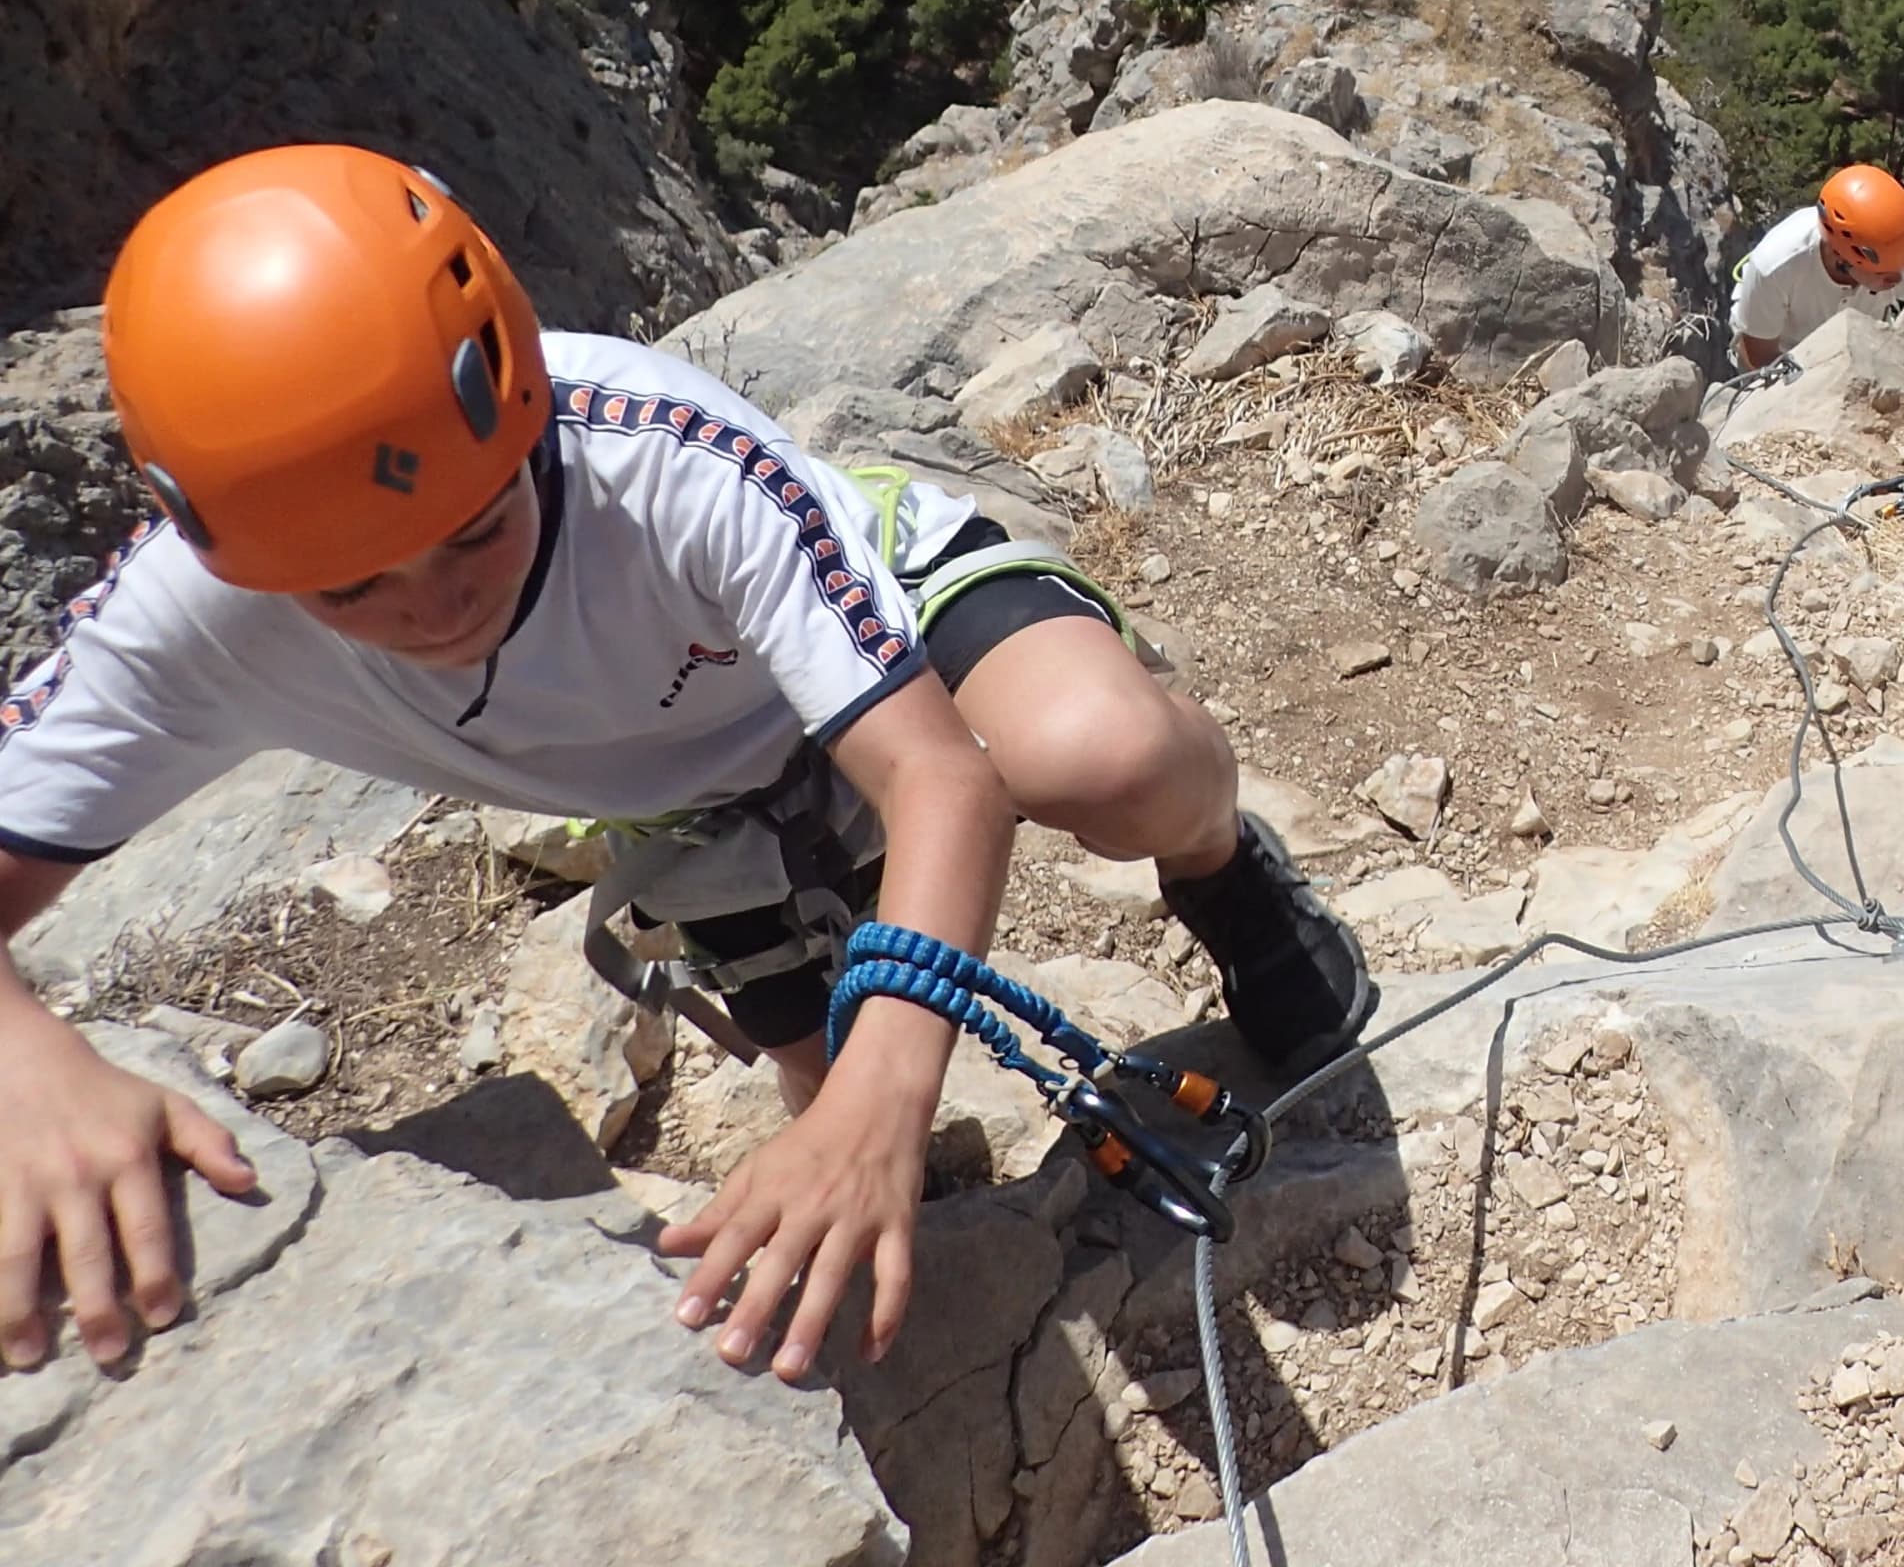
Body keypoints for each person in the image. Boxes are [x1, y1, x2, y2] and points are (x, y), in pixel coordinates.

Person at [0, 145, 1371, 1387]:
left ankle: (1226, 869)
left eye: (479, 529)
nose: (434, 607)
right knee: (819, 1121)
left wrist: (895, 1089)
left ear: (527, 402)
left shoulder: (655, 453)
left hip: (893, 626)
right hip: (693, 792)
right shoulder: (191, 618)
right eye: (352, 592)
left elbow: (941, 780)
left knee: (1103, 759)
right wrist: (30, 1063)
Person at [1727, 164, 1904, 372]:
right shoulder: (1776, 266)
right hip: (1783, 353)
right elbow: (1757, 356)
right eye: (1884, 274)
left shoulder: (1900, 255)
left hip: (1859, 350)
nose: (1896, 280)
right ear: (1841, 256)